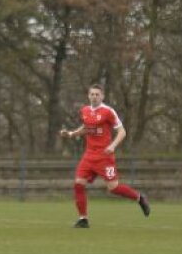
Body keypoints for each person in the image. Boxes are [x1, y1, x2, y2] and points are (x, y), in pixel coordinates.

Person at [60, 83, 151, 228]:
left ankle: (140, 198)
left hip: (104, 157)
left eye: (97, 94)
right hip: (89, 156)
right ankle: (83, 219)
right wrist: (71, 133)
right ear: (88, 96)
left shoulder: (108, 111)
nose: (94, 97)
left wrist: (112, 146)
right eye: (92, 94)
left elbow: (122, 131)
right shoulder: (84, 110)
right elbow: (86, 128)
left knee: (113, 188)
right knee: (78, 184)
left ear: (102, 96)